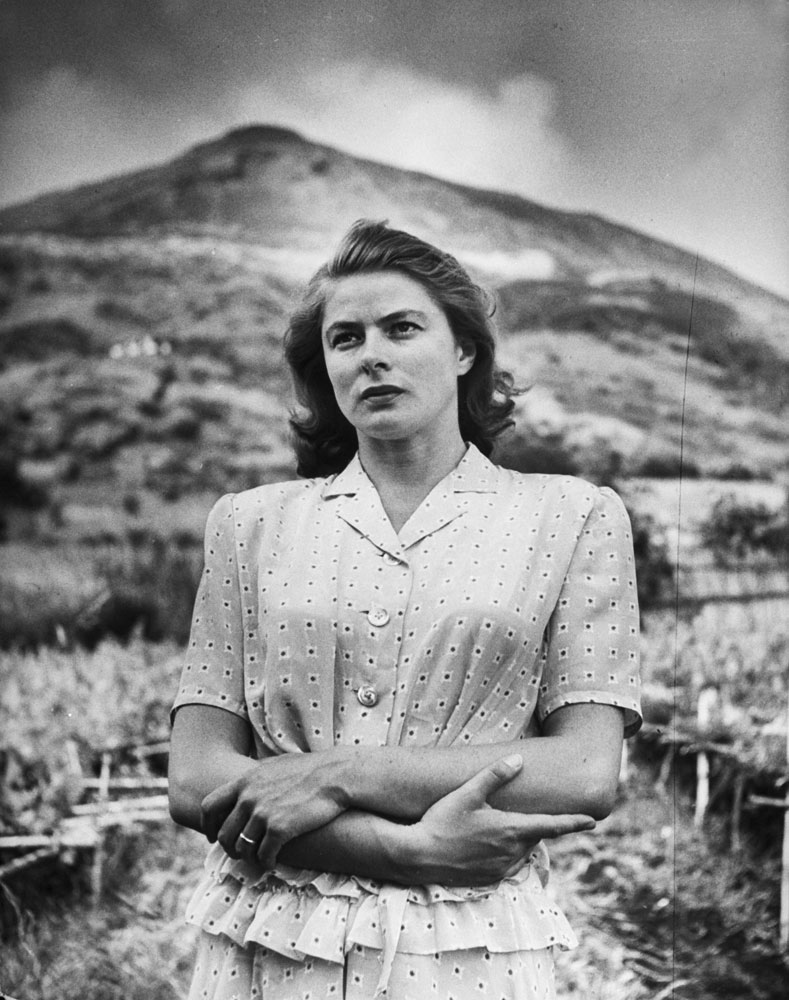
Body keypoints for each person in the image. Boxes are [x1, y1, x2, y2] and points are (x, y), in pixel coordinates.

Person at [168, 219, 642, 1000]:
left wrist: (338, 775)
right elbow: (196, 777)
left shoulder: (573, 516)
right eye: (345, 338)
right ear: (324, 368)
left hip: (472, 943)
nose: (372, 354)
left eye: (401, 327)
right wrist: (402, 851)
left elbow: (583, 771)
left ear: (463, 351)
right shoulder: (248, 524)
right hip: (271, 932)